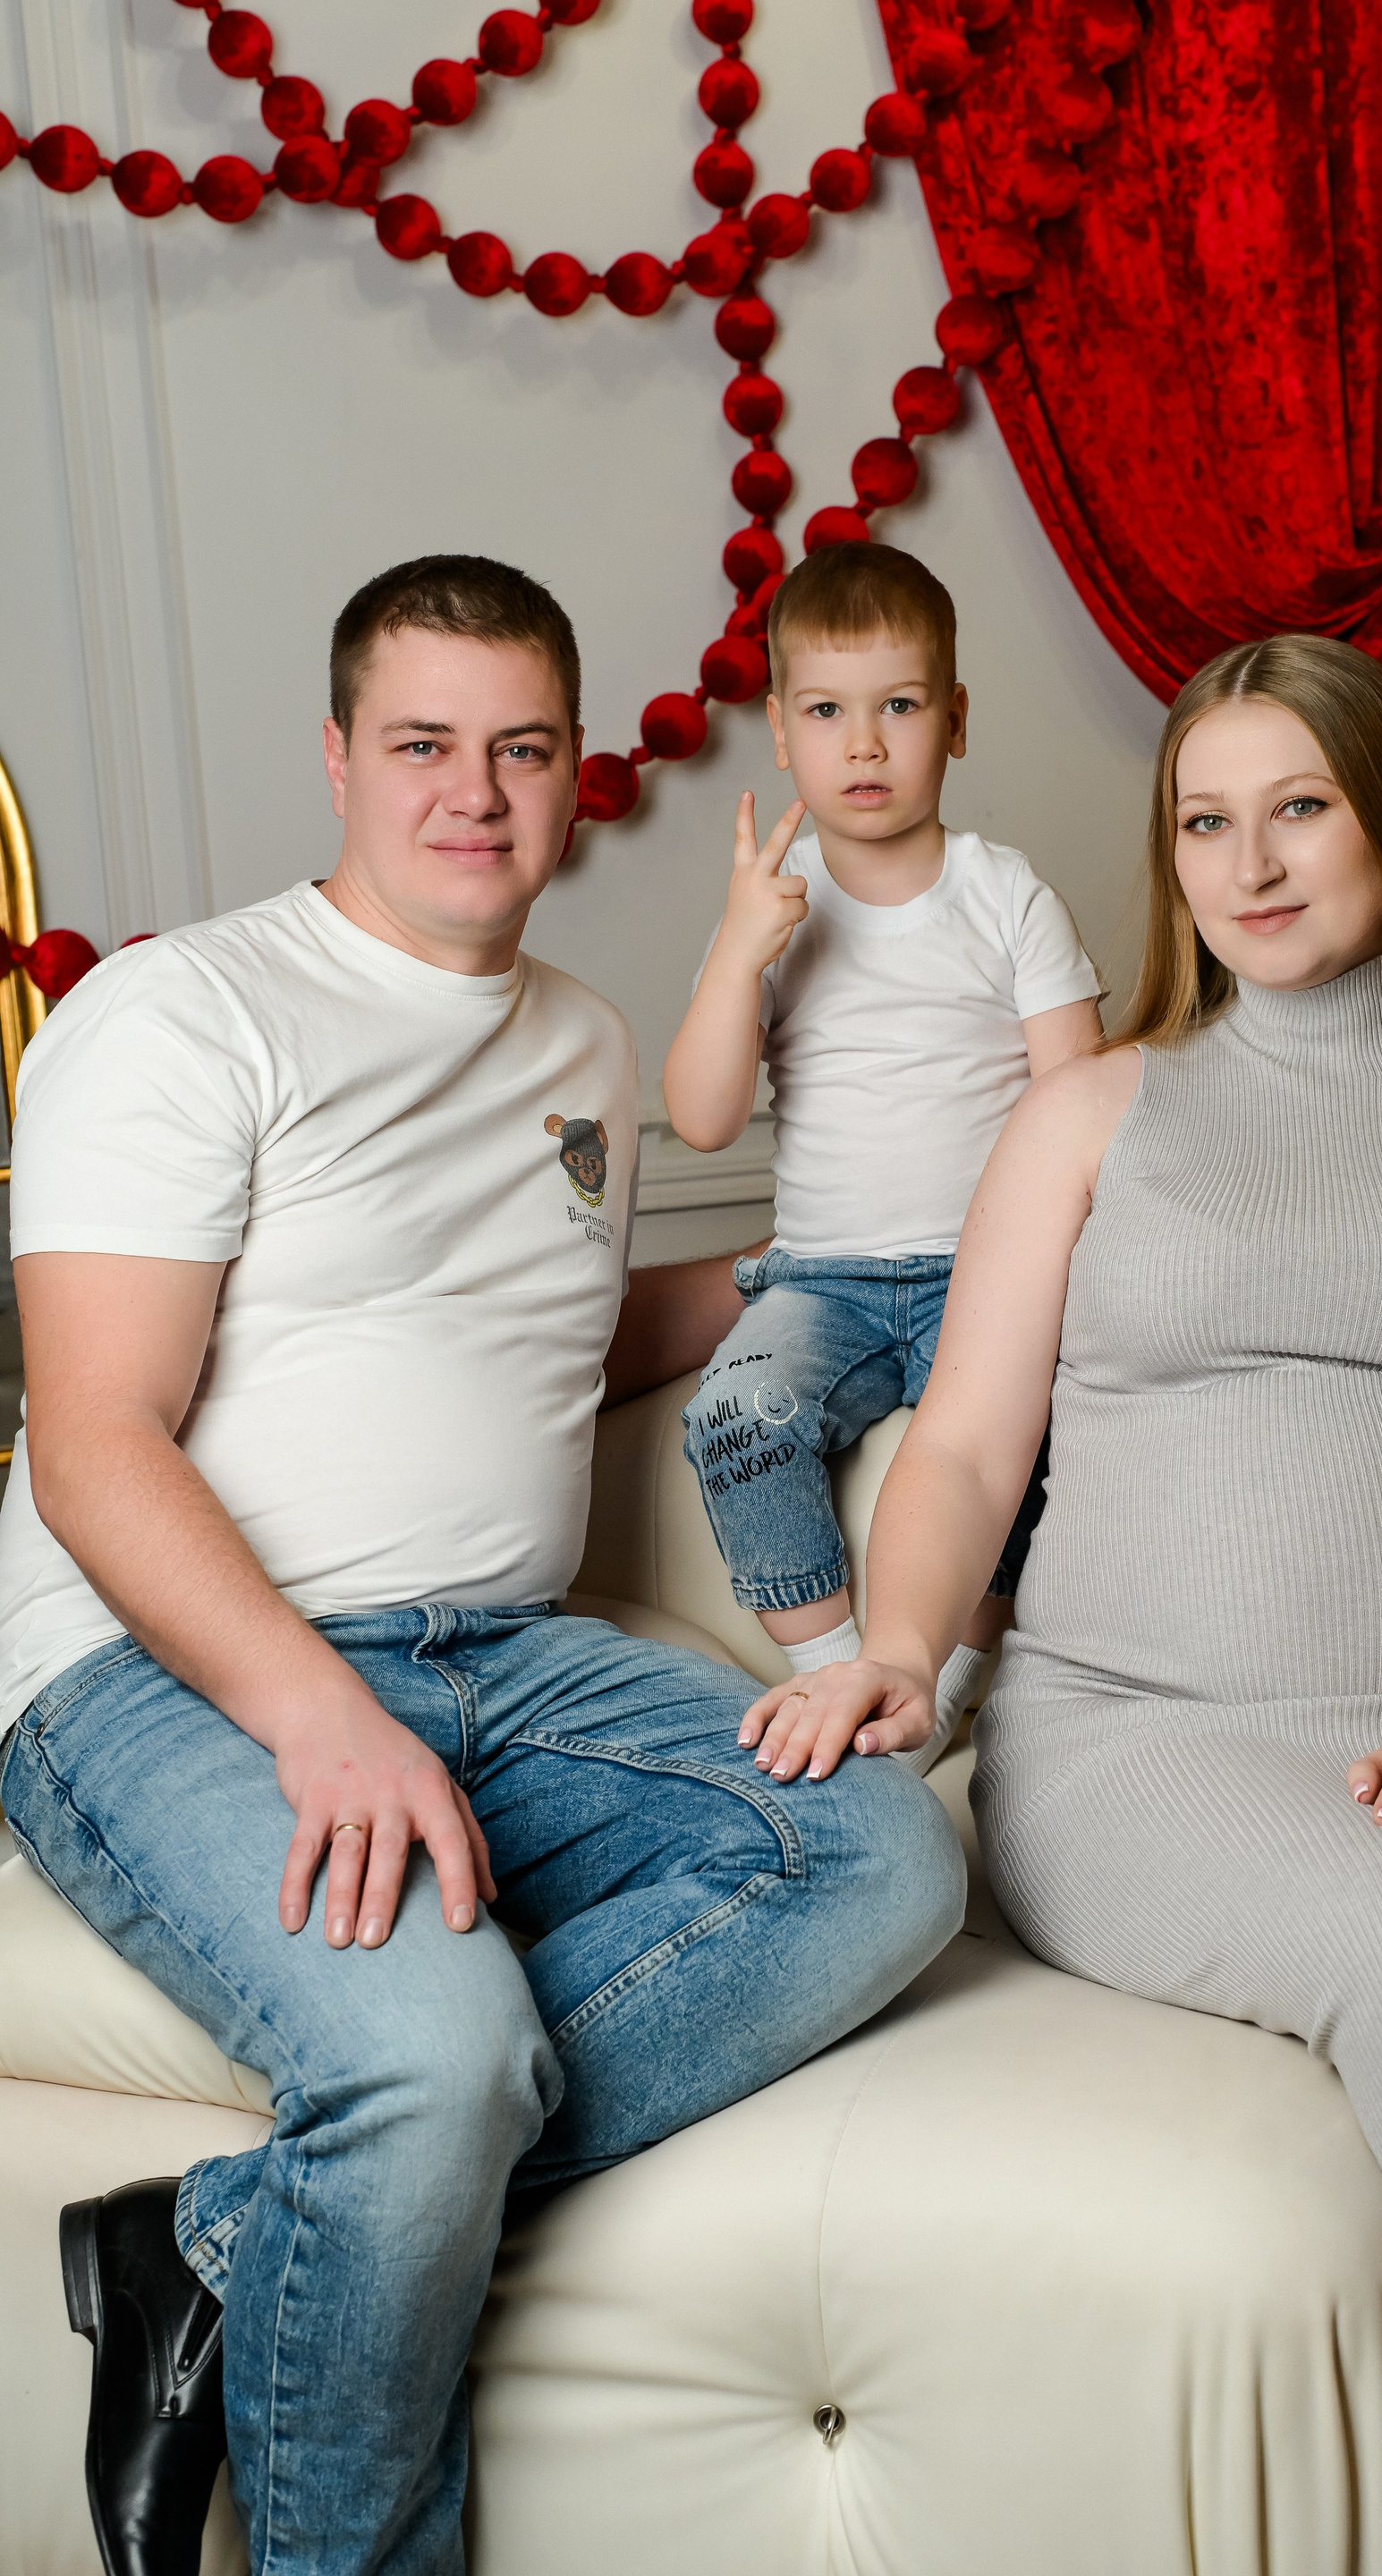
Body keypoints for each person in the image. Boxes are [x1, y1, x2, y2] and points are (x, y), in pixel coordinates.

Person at [0, 555, 963, 2576]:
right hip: (163, 1666)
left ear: (576, 770)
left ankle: (222, 2249)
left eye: (522, 749)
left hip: (510, 1657)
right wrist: (318, 1719)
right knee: (434, 2060)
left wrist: (859, 1276)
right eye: (425, 743)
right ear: (337, 757)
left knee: (879, 1852)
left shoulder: (587, 1046)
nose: (475, 791)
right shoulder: (182, 1010)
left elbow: (550, 1338)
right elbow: (92, 1443)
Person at [742, 634, 1382, 2571]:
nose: (1249, 866)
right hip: (1139, 1744)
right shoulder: (1094, 1115)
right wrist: (904, 1648)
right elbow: (964, 1451)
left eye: (1300, 810)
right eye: (1205, 823)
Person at [664, 543, 1102, 1768]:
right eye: (826, 712)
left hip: (990, 1275)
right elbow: (701, 1118)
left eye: (899, 707)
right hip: (824, 1281)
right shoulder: (775, 904)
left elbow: (1078, 1106)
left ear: (954, 722)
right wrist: (738, 953)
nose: (863, 745)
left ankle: (950, 1680)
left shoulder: (1005, 896)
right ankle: (838, 1671)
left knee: (1040, 1439)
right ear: (779, 729)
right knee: (736, 1417)